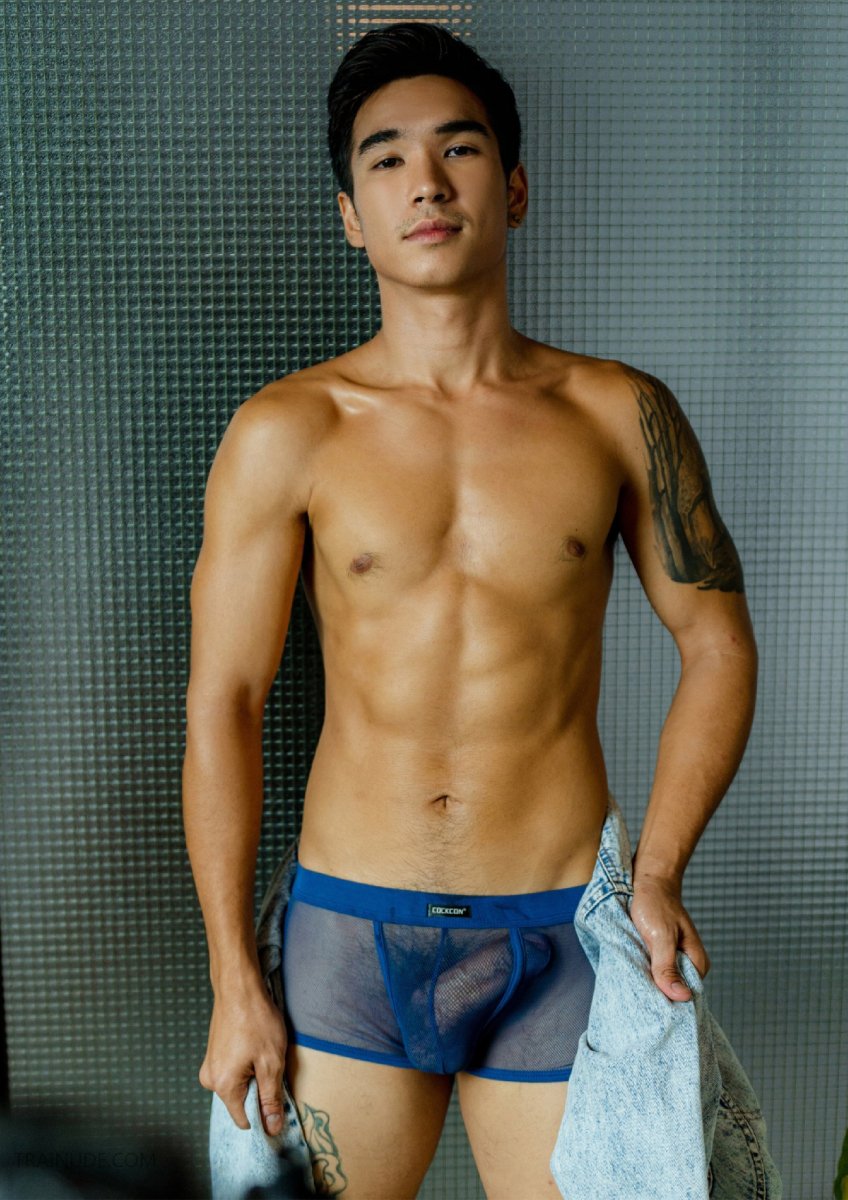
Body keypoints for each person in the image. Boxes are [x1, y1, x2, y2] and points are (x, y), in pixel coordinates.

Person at [184, 20, 758, 1199]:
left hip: (557, 931)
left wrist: (655, 875)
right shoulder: (287, 430)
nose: (426, 182)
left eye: (459, 148)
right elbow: (223, 702)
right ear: (350, 215)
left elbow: (714, 643)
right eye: (386, 158)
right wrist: (233, 977)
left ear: (515, 186)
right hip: (348, 937)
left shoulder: (615, 413)